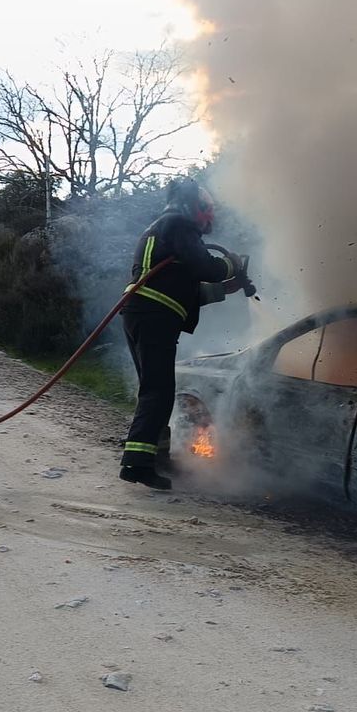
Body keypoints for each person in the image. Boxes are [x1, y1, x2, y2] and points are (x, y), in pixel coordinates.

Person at [118, 177, 246, 490]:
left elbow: (183, 287)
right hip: (154, 317)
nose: (210, 217)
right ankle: (136, 465)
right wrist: (232, 264)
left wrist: (224, 290)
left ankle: (154, 457)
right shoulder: (179, 224)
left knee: (154, 389)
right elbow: (206, 267)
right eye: (207, 210)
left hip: (144, 315)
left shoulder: (165, 227)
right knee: (159, 391)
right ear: (192, 207)